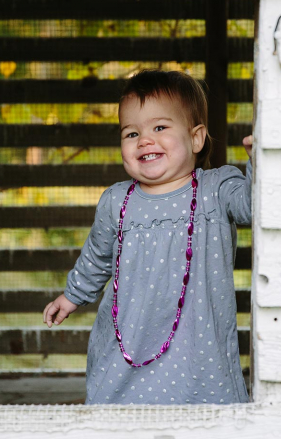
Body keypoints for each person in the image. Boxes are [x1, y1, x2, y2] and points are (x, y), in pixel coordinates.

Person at [43, 69, 253, 404]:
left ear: (196, 138)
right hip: (128, 346)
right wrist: (71, 297)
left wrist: (262, 158)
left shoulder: (216, 190)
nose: (144, 140)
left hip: (199, 353)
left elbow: (254, 207)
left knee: (208, 421)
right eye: (131, 133)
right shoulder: (116, 201)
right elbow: (97, 257)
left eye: (160, 127)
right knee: (124, 420)